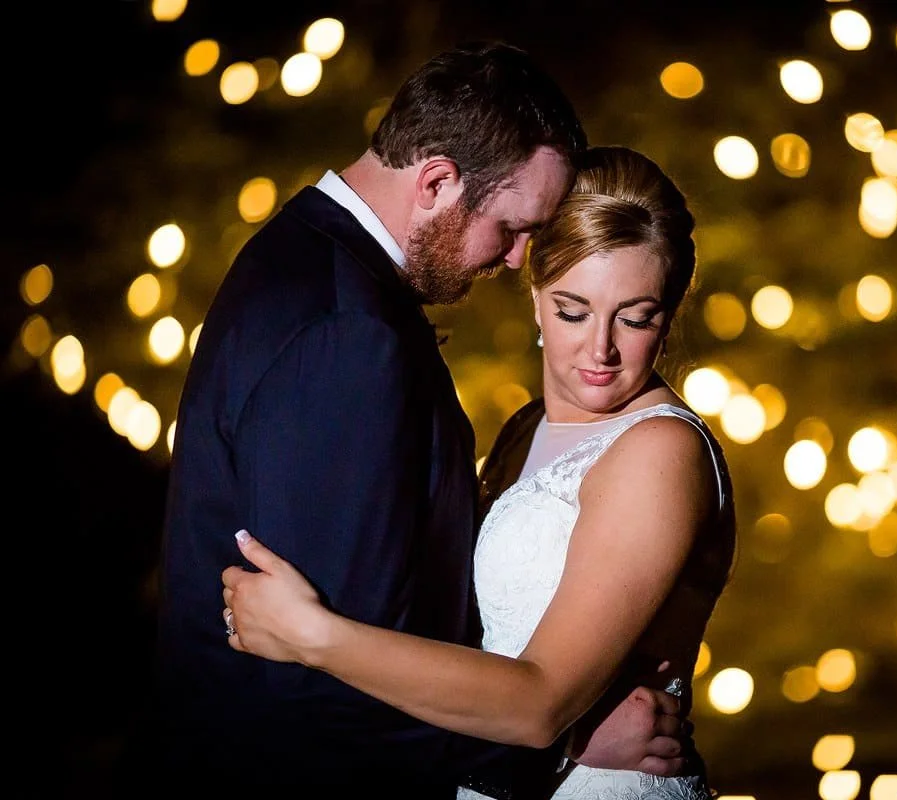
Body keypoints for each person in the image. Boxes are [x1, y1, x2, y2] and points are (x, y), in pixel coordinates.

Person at [129, 42, 689, 797]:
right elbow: (316, 674)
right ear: (437, 182)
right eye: (514, 228)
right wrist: (559, 746)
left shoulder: (299, 253)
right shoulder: (346, 333)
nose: (521, 257)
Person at [221, 145, 738, 800]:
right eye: (574, 309)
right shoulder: (525, 429)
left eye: (636, 317)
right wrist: (569, 742)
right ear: (536, 294)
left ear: (668, 313)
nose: (601, 349)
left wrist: (312, 634)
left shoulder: (659, 450)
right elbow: (484, 646)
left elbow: (539, 701)